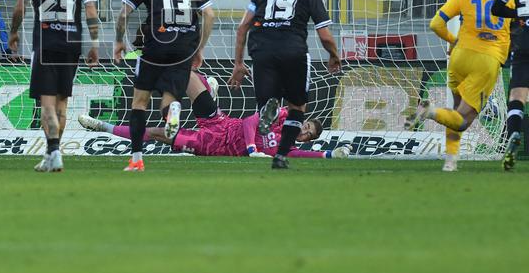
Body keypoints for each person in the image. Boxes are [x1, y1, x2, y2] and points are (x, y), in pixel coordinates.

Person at [228, 0, 341, 170]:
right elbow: (325, 36)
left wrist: (239, 64)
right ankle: (280, 155)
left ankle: (268, 107)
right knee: (297, 107)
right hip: (293, 50)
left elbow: (242, 28)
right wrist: (334, 55)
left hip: (261, 49)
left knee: (267, 102)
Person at [113, 0, 215, 171]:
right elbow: (209, 14)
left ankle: (137, 159)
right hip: (184, 48)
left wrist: (119, 41)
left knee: (139, 102)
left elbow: (123, 15)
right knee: (169, 99)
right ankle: (171, 113)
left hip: (156, 46)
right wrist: (199, 48)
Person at [9, 0, 99, 172]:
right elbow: (91, 11)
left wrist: (13, 32)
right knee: (62, 104)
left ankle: (54, 151)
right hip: (72, 44)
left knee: (47, 103)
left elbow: (20, 8)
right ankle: (52, 154)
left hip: (45, 43)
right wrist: (94, 43)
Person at [409, 0, 512, 172]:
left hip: (459, 58)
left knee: (456, 113)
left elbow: (436, 24)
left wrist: (454, 41)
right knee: (462, 120)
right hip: (486, 60)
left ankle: (450, 162)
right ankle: (430, 112)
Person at [79, 102, 350, 159]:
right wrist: (253, 148)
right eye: (305, 125)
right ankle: (203, 88)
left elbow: (304, 156)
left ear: (308, 139)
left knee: (160, 134)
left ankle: (102, 126)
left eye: (309, 133)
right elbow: (250, 122)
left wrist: (329, 154)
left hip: (213, 145)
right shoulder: (282, 118)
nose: (304, 131)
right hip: (225, 124)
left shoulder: (287, 148)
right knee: (193, 80)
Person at [492, 0, 529, 170]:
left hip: (524, 41)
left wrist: (520, 14)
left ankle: (514, 133)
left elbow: (496, 8)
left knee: (517, 95)